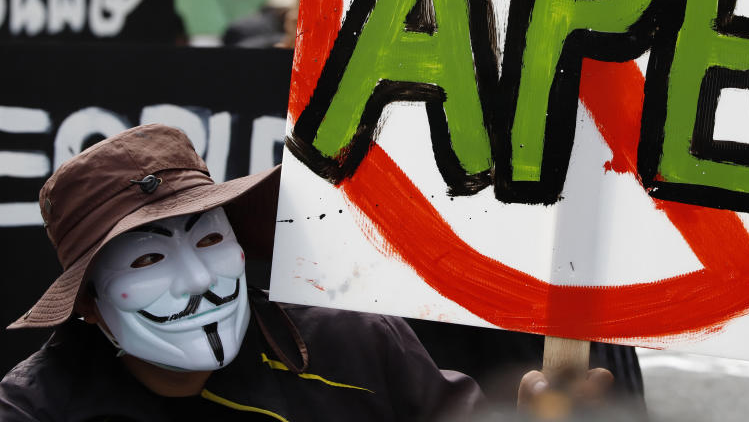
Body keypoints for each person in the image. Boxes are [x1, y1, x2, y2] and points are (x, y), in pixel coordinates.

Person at [0, 124, 482, 421]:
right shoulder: (39, 408)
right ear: (87, 301)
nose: (198, 280)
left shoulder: (358, 348)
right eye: (148, 259)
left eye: (209, 240)